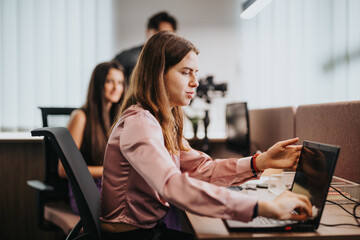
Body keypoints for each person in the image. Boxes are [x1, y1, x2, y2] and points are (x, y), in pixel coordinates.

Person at [100, 31, 313, 240]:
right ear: (158, 73)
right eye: (185, 72)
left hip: (147, 230)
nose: (195, 82)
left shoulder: (160, 122)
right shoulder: (140, 123)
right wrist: (264, 207)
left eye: (195, 72)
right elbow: (172, 185)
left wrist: (260, 162)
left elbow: (202, 169)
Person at [58, 60, 126, 214]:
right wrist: (110, 170)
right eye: (110, 81)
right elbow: (64, 170)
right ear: (98, 84)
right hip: (87, 190)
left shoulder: (117, 119)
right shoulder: (81, 116)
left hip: (112, 186)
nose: (117, 88)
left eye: (120, 82)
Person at [114, 11, 177, 83]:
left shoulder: (173, 61)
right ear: (148, 31)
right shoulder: (127, 57)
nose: (165, 39)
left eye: (169, 35)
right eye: (161, 33)